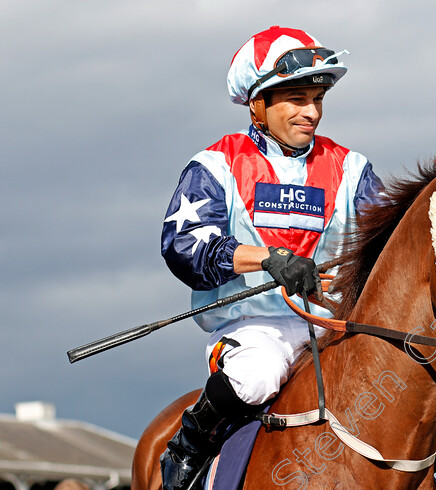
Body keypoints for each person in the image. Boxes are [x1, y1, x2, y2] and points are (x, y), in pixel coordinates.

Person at [159, 26, 384, 490]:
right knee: (257, 378)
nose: (312, 112)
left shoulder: (352, 168)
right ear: (257, 105)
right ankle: (190, 442)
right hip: (254, 329)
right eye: (297, 99)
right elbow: (182, 246)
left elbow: (383, 244)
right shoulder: (216, 165)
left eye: (317, 99)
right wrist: (268, 259)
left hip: (332, 325)